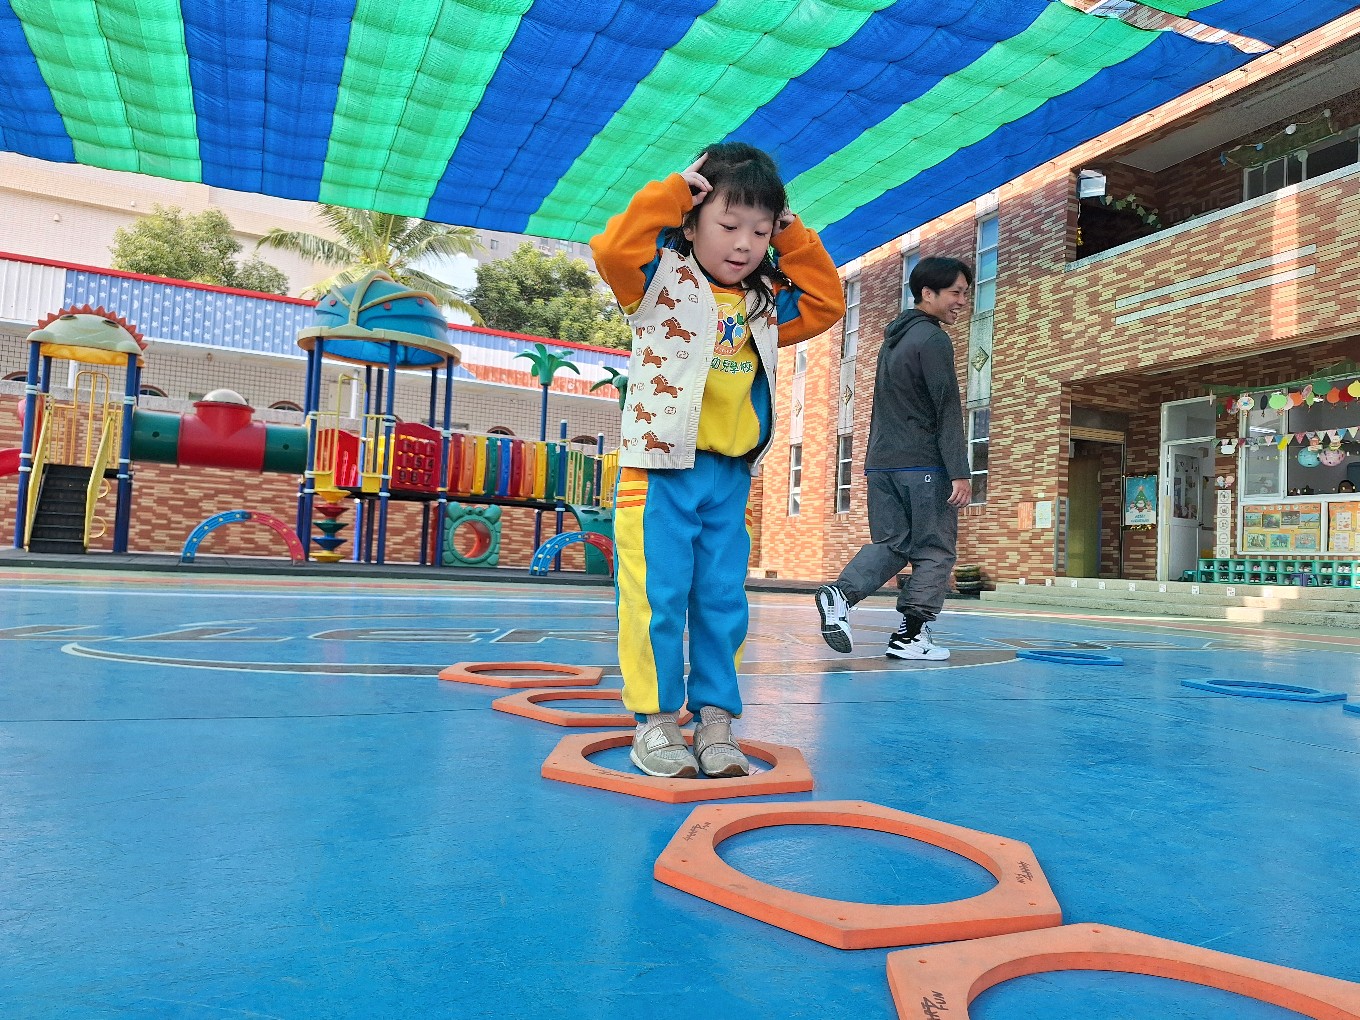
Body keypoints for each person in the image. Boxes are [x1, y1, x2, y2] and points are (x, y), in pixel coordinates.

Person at [591, 142, 844, 778]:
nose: (743, 244)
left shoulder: (765, 301)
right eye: (728, 225)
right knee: (656, 597)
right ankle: (654, 721)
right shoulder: (656, 280)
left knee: (722, 599)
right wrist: (676, 190)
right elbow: (613, 249)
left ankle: (714, 719)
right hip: (659, 470)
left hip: (728, 476)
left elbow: (826, 303)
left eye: (760, 231)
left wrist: (793, 235)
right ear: (692, 221)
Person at [814, 256, 974, 661]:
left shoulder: (894, 339)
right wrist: (959, 470)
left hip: (882, 463)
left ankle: (840, 595)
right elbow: (946, 407)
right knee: (935, 549)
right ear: (928, 293)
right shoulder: (933, 339)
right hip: (924, 464)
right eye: (956, 293)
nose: (962, 301)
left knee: (892, 543)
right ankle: (910, 637)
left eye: (966, 294)